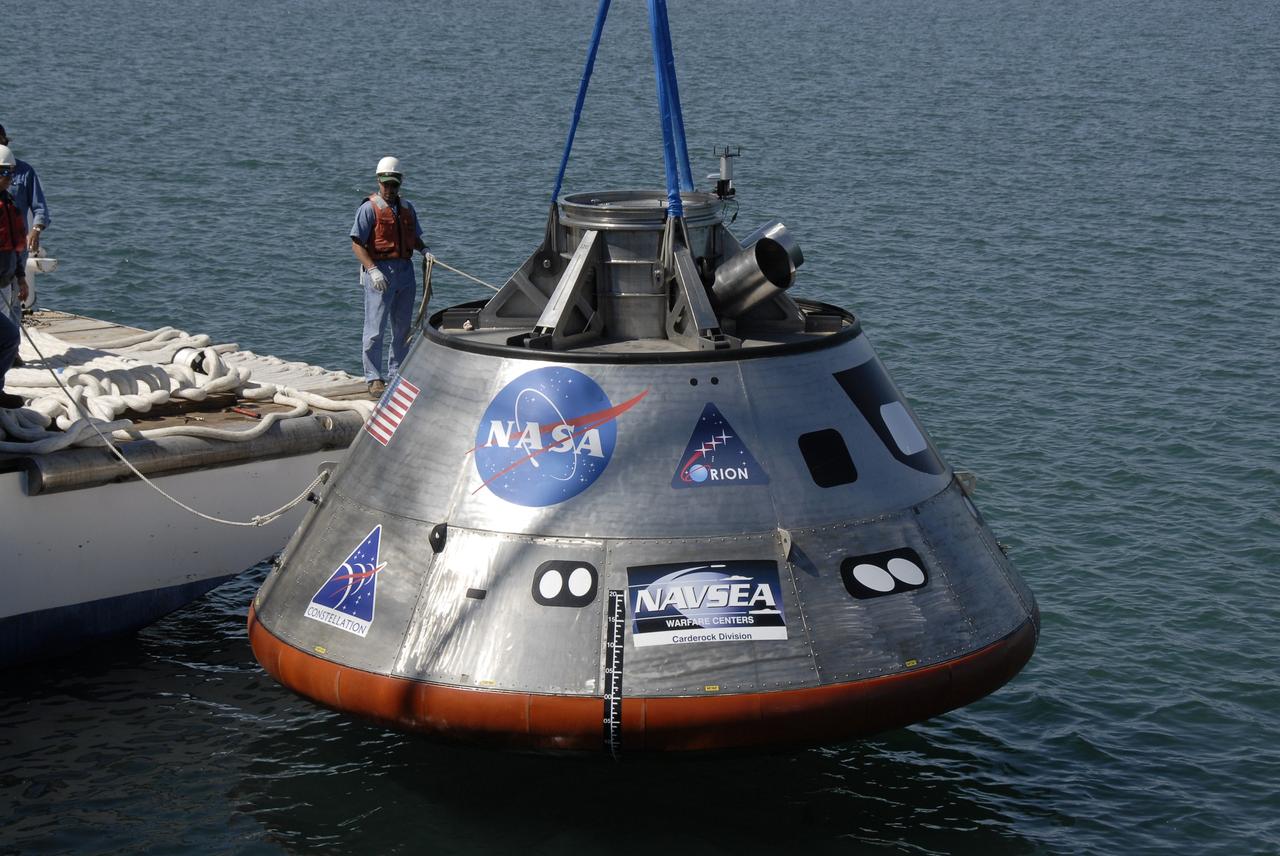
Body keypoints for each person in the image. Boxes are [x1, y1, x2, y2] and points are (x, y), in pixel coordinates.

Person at [349, 156, 427, 397]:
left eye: (395, 185)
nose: (390, 190)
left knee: (403, 329)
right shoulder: (368, 209)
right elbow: (357, 243)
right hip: (381, 273)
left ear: (400, 183)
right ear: (379, 181)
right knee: (375, 329)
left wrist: (424, 250)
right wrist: (372, 270)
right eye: (386, 185)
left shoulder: (407, 209)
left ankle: (397, 374)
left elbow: (413, 237)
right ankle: (373, 377)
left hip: (405, 271)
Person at [0, 145, 30, 409]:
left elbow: (15, 246)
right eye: (3, 173)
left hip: (5, 283)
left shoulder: (8, 203)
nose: (8, 178)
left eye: (10, 173)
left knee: (9, 338)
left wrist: (20, 277)